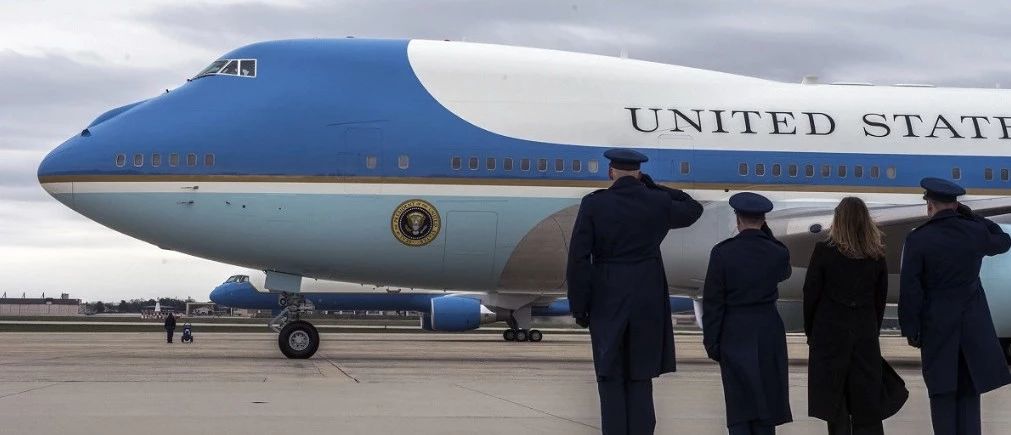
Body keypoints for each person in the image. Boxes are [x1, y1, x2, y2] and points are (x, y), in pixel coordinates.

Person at [567, 148, 703, 435]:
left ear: (610, 172)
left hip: (607, 294)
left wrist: (580, 307)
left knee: (610, 375)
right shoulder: (657, 202)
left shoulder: (594, 204)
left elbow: (579, 258)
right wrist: (653, 187)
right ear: (639, 173)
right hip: (647, 295)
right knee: (641, 377)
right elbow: (693, 208)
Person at [899, 177, 1011, 435]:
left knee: (942, 395)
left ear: (930, 205)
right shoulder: (975, 233)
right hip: (973, 328)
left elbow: (911, 289)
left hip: (937, 327)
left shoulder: (919, 238)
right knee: (969, 394)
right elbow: (1003, 240)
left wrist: (911, 328)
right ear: (956, 205)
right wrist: (974, 218)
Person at [804, 197, 907, 434]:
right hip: (863, 337)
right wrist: (870, 329)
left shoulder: (823, 252)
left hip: (830, 338)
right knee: (867, 408)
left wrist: (813, 333)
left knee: (836, 408)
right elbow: (879, 300)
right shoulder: (876, 256)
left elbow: (811, 295)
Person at [703, 192, 792, 435]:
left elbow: (713, 301)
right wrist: (767, 235)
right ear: (764, 220)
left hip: (734, 329)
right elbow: (784, 273)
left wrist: (712, 342)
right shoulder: (777, 252)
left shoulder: (722, 252)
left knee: (739, 403)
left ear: (737, 219)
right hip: (767, 329)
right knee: (766, 402)